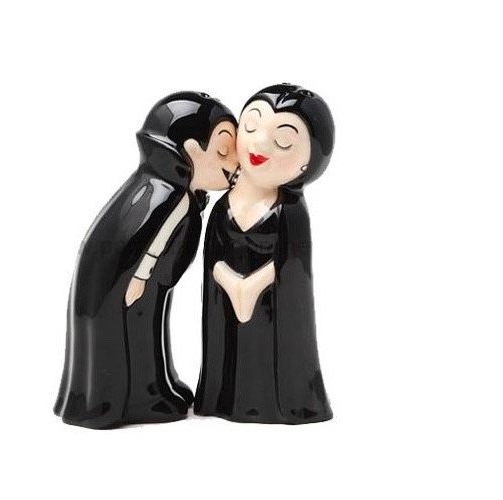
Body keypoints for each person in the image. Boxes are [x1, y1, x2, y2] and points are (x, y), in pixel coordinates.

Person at [54, 91, 238, 429]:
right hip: (135, 287)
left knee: (150, 329)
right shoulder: (171, 197)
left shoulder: (157, 188)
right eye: (223, 152)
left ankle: (155, 386)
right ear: (191, 151)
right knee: (138, 333)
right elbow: (154, 243)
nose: (234, 164)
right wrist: (139, 279)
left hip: (145, 284)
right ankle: (141, 395)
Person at [194, 84, 335, 424]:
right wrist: (230, 282)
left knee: (266, 353)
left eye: (283, 141)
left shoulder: (289, 211)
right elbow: (212, 257)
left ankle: (278, 402)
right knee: (228, 349)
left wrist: (253, 286)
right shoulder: (222, 207)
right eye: (251, 126)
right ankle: (221, 398)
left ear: (307, 164)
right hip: (224, 303)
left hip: (274, 309)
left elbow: (291, 266)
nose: (259, 144)